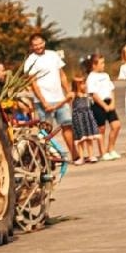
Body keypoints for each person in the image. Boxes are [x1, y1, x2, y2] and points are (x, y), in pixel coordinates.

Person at [22, 33, 76, 161]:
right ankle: (45, 157)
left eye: (40, 43)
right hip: (43, 101)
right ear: (31, 47)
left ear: (44, 42)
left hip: (60, 98)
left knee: (67, 125)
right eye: (35, 45)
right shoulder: (30, 60)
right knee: (45, 131)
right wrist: (43, 101)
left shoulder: (53, 55)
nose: (38, 47)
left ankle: (75, 154)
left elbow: (62, 75)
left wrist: (68, 92)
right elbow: (33, 83)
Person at [85, 54, 122, 160]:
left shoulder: (105, 75)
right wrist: (104, 105)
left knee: (116, 125)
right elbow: (94, 94)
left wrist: (112, 103)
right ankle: (103, 152)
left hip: (109, 102)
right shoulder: (91, 77)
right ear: (94, 65)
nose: (103, 65)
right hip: (98, 104)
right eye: (101, 63)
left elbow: (111, 90)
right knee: (101, 129)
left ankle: (111, 149)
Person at [70, 71, 101, 164]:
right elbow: (64, 103)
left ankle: (91, 155)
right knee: (80, 138)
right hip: (78, 118)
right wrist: (53, 108)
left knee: (89, 138)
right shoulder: (73, 94)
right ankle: (81, 157)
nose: (84, 85)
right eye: (81, 84)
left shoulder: (87, 94)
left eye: (84, 83)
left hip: (87, 117)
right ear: (76, 85)